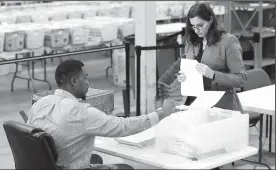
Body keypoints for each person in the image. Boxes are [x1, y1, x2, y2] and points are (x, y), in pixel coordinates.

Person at [27, 59, 176, 170]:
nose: (88, 83)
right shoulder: (80, 112)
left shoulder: (40, 103)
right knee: (126, 168)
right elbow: (123, 127)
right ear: (74, 80)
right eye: (85, 77)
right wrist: (162, 112)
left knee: (95, 157)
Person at [164, 2, 247, 111]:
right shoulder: (191, 42)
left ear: (211, 20)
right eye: (193, 26)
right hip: (194, 103)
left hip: (220, 105)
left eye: (200, 25)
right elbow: (189, 68)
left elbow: (241, 79)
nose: (196, 30)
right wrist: (183, 76)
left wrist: (213, 74)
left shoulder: (228, 41)